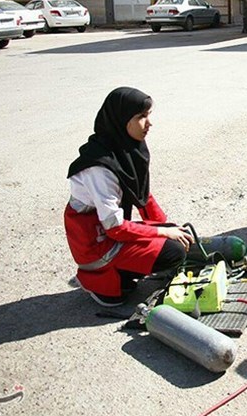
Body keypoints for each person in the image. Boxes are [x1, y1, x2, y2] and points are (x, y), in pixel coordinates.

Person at [64, 87, 194, 307]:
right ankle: (100, 282)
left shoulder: (125, 149)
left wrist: (168, 227)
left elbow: (142, 194)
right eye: (141, 117)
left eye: (148, 115)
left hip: (107, 234)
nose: (149, 123)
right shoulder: (100, 168)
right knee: (173, 251)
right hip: (96, 246)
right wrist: (163, 233)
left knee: (175, 236)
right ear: (122, 120)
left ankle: (127, 271)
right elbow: (114, 228)